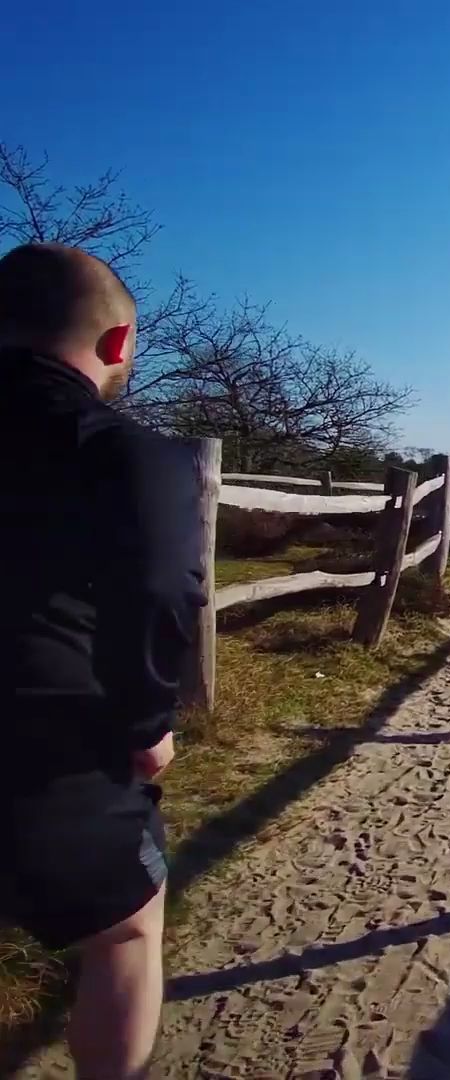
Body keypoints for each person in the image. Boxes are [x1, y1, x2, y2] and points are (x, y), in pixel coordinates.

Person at [0, 243, 204, 1078]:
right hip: (46, 736)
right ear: (118, 344)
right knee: (125, 928)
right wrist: (147, 721)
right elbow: (159, 590)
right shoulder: (127, 452)